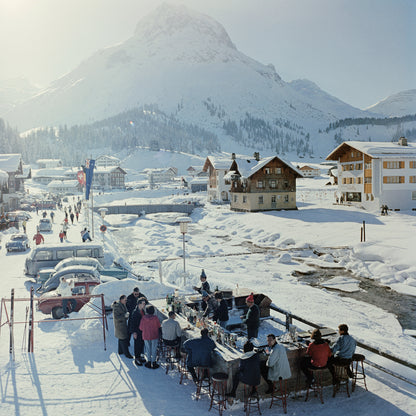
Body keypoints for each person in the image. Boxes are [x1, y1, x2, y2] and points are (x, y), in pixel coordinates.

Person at [139, 305, 161, 369]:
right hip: (154, 335)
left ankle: (148, 362)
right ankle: (154, 362)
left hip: (146, 335)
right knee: (154, 349)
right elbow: (159, 326)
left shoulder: (143, 318)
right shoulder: (155, 318)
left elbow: (141, 328)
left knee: (148, 349)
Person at [129, 297, 147, 366]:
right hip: (137, 331)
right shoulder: (135, 312)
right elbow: (132, 323)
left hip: (142, 331)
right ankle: (137, 358)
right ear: (139, 304)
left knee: (142, 344)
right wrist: (134, 332)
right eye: (143, 304)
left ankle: (141, 356)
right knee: (137, 345)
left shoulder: (142, 310)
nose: (144, 305)